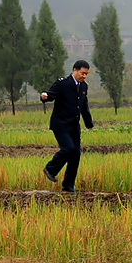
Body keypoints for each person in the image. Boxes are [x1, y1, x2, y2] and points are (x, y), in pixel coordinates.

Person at [40, 60, 94, 192]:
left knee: (75, 155)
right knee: (68, 149)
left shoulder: (83, 86)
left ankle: (68, 185)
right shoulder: (62, 83)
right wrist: (44, 97)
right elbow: (50, 95)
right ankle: (50, 168)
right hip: (60, 125)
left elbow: (83, 106)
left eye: (86, 74)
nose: (84, 76)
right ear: (75, 70)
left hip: (74, 126)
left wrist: (88, 123)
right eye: (82, 73)